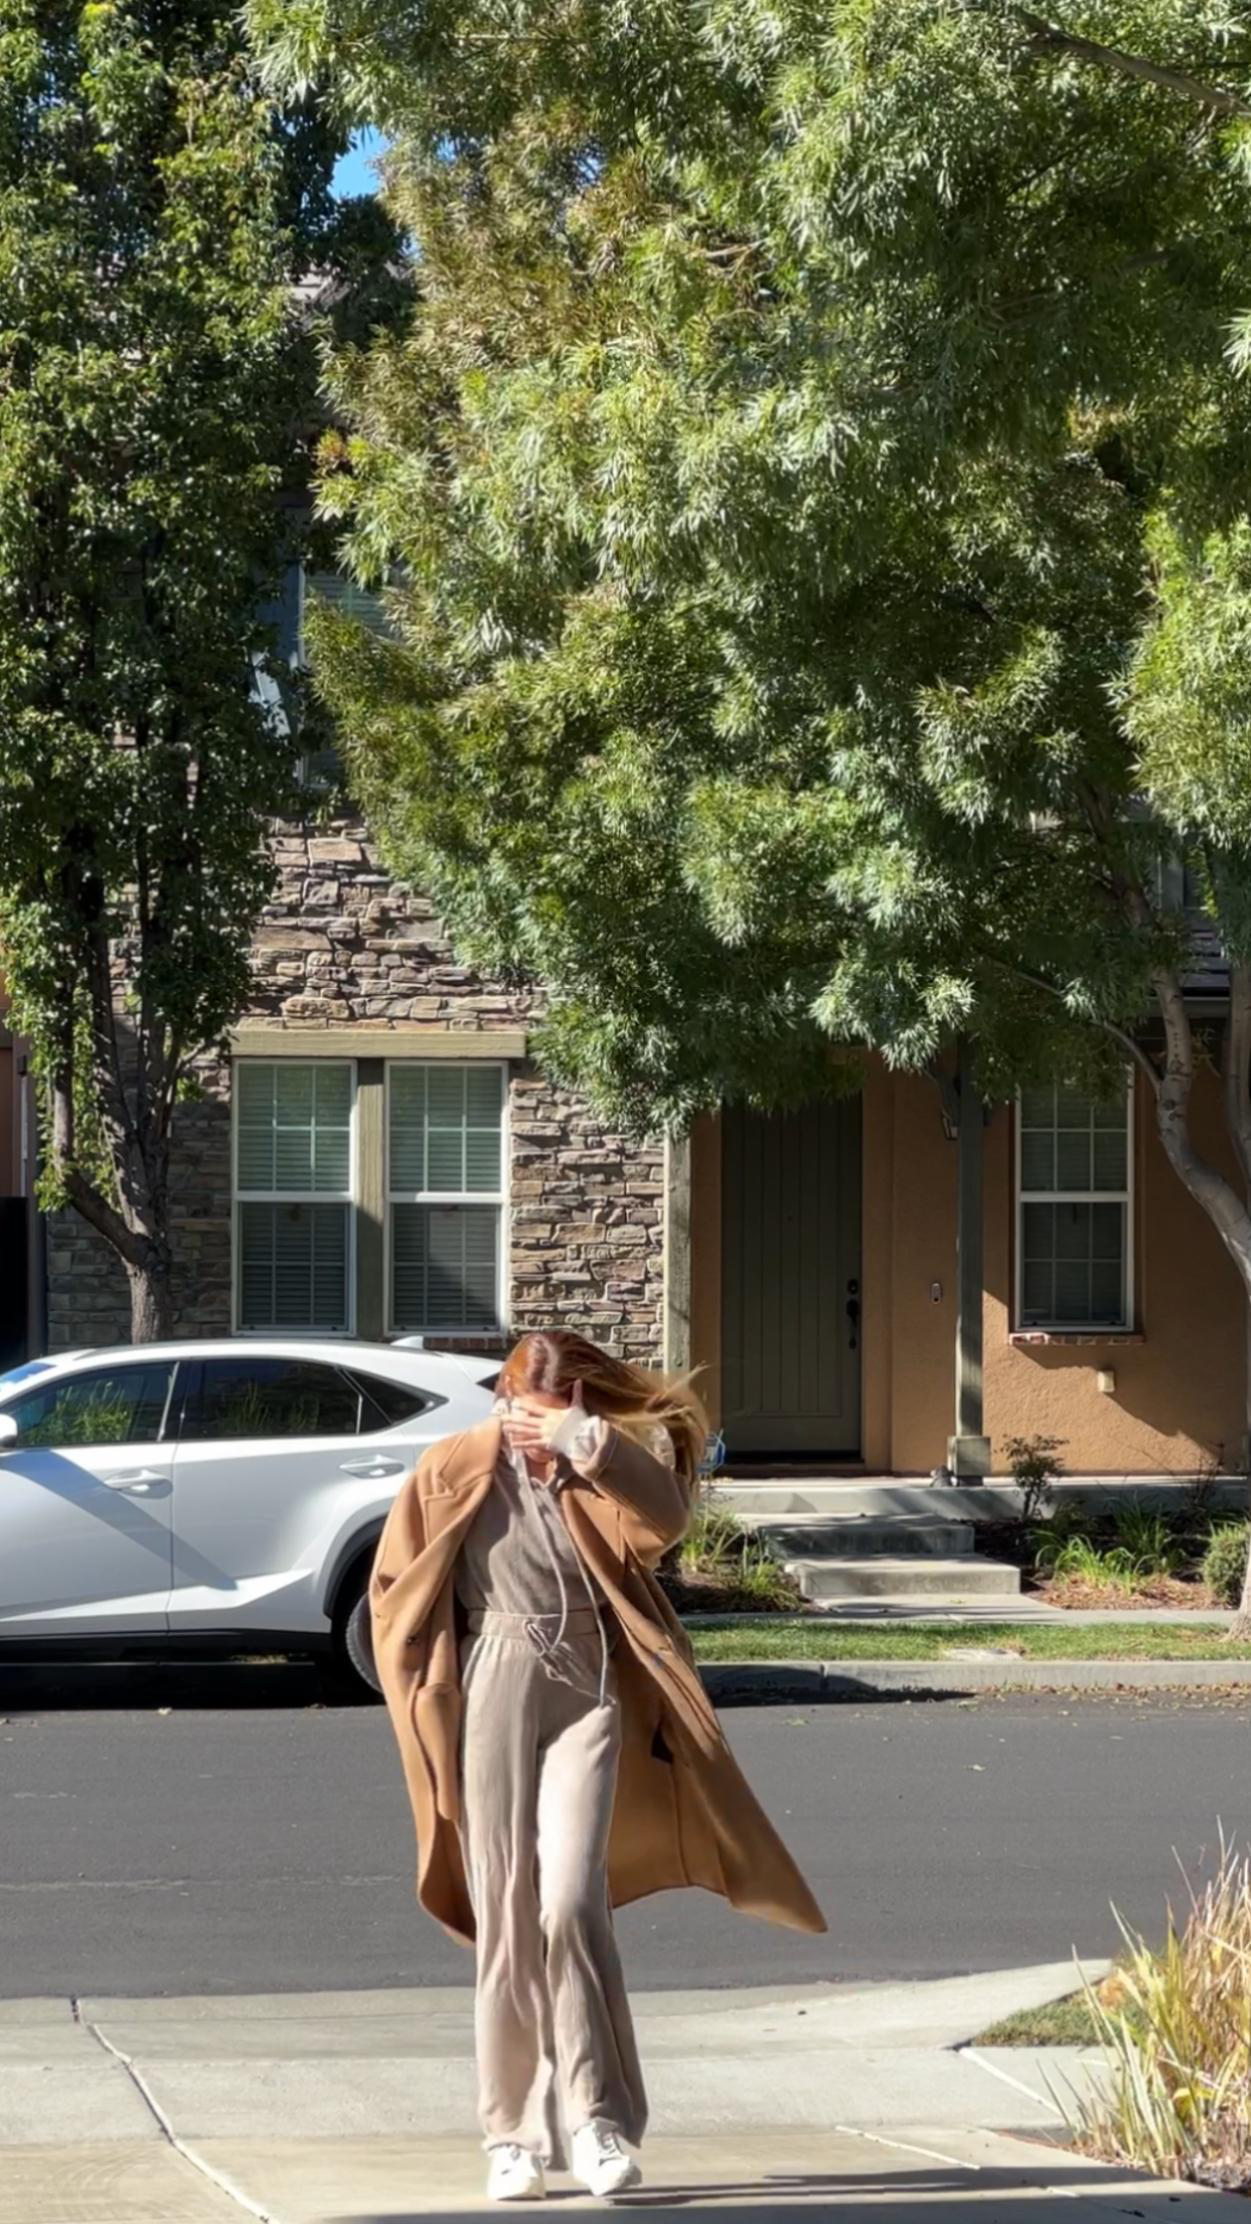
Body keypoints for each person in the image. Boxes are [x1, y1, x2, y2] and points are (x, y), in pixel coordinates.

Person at [370, 1327, 825, 2203]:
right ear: (499, 1400)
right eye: (517, 1414)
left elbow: (667, 1522)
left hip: (590, 1685)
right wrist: (422, 1685)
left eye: (546, 1417)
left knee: (573, 1903)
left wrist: (592, 1447)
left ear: (578, 1406)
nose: (525, 1432)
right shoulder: (452, 1466)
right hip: (491, 1681)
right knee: (505, 1914)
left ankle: (596, 2120)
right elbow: (393, 1589)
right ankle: (510, 2135)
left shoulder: (595, 1470)